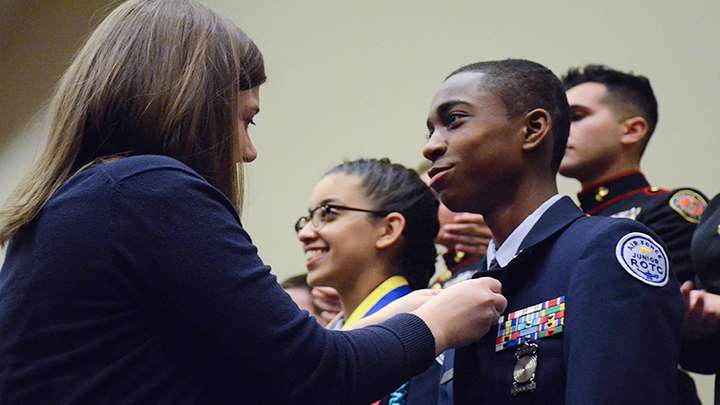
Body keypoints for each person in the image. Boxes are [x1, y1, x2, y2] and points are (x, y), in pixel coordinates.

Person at [0, 1, 508, 404]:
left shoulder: (85, 198)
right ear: (192, 102)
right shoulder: (149, 189)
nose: (248, 151)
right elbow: (309, 379)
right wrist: (435, 325)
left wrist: (387, 324)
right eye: (245, 120)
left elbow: (243, 370)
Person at [423, 59, 684, 404]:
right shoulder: (471, 285)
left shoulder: (604, 251)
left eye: (453, 120)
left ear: (532, 129)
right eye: (430, 131)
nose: (430, 147)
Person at [559, 64, 712, 402]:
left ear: (632, 130)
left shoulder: (669, 208)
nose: (560, 128)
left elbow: (638, 314)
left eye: (577, 116)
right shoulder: (566, 223)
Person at [297, 158, 440, 404]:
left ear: (388, 230)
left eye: (328, 213)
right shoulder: (328, 335)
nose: (305, 233)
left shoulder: (433, 335)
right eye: (307, 218)